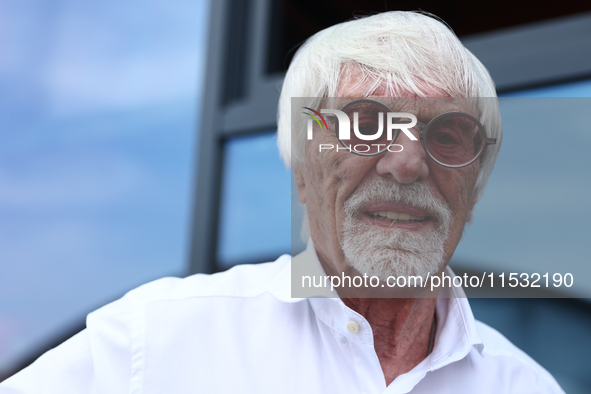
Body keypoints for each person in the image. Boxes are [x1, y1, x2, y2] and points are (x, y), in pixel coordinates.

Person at [0, 11, 564, 394]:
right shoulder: (157, 342)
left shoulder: (524, 385)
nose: (406, 163)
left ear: (474, 188)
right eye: (365, 123)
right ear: (302, 168)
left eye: (446, 134)